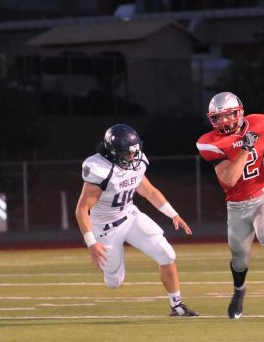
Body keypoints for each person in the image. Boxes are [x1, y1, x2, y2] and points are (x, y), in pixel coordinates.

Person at [196, 91, 264, 319]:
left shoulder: (260, 123)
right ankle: (239, 293)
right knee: (239, 260)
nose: (223, 121)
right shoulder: (210, 143)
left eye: (227, 116)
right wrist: (245, 149)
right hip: (236, 207)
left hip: (263, 195)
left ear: (239, 113)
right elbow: (228, 179)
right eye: (218, 118)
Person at [75, 124, 199, 317]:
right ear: (114, 152)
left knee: (166, 254)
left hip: (130, 216)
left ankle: (177, 306)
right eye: (127, 154)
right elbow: (82, 209)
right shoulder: (101, 170)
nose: (132, 158)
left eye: (134, 152)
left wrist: (173, 214)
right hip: (105, 228)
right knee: (114, 281)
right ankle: (109, 263)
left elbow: (149, 191)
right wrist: (91, 243)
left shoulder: (136, 161)